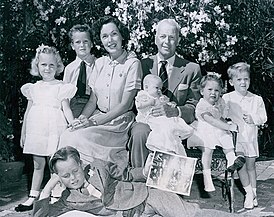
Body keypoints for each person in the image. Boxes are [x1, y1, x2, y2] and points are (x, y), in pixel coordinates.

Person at [32, 146, 240, 217]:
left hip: (146, 196)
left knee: (188, 215)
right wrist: (48, 188)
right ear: (58, 176)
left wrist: (146, 171)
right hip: (135, 215)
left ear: (81, 163)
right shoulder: (68, 199)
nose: (73, 178)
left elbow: (128, 174)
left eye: (75, 171)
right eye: (65, 176)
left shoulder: (98, 166)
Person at [59, 16, 142, 164]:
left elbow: (125, 105)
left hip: (118, 125)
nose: (110, 40)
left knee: (77, 139)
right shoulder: (100, 63)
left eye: (114, 34)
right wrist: (82, 119)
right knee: (68, 134)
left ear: (122, 35)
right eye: (105, 36)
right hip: (97, 118)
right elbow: (93, 99)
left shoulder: (133, 63)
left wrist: (94, 122)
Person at [127, 18, 202, 167]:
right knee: (140, 133)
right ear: (155, 39)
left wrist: (176, 111)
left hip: (173, 123)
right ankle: (141, 181)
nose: (166, 41)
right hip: (147, 119)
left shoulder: (191, 69)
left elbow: (194, 106)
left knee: (170, 135)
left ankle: (168, 184)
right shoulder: (142, 65)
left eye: (172, 37)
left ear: (178, 40)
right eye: (162, 36)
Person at [15, 45, 77, 212]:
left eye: (51, 65)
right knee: (37, 165)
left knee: (54, 164)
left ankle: (55, 195)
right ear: (37, 66)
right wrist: (23, 132)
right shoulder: (33, 88)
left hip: (54, 128)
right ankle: (33, 196)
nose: (47, 68)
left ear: (57, 66)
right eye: (43, 65)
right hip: (37, 129)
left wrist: (73, 124)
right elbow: (28, 112)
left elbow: (67, 109)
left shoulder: (61, 86)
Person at [187, 72, 246, 192]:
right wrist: (227, 127)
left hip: (216, 131)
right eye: (210, 89)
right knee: (208, 148)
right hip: (202, 132)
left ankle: (231, 159)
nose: (213, 93)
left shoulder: (219, 104)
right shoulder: (202, 105)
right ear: (202, 91)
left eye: (217, 90)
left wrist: (229, 124)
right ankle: (207, 177)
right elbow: (211, 120)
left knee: (226, 138)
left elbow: (219, 118)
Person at [223, 62, 267, 209]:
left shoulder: (256, 99)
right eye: (239, 79)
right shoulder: (227, 98)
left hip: (251, 139)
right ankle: (248, 193)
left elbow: (263, 117)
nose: (243, 82)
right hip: (237, 140)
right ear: (231, 82)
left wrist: (253, 118)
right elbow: (222, 115)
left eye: (246, 79)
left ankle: (253, 193)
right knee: (241, 166)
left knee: (251, 166)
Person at [135, 74, 194, 155]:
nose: (159, 91)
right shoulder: (144, 95)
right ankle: (165, 147)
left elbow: (166, 104)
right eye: (156, 88)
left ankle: (176, 146)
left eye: (160, 88)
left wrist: (170, 104)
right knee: (164, 127)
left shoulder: (159, 96)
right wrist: (151, 102)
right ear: (146, 87)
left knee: (171, 123)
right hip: (149, 117)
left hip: (160, 116)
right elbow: (139, 105)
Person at [63, 24, 96, 118]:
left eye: (85, 41)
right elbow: (65, 96)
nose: (82, 45)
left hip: (93, 104)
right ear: (72, 46)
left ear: (92, 44)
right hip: (74, 104)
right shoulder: (69, 68)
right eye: (78, 42)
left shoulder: (98, 64)